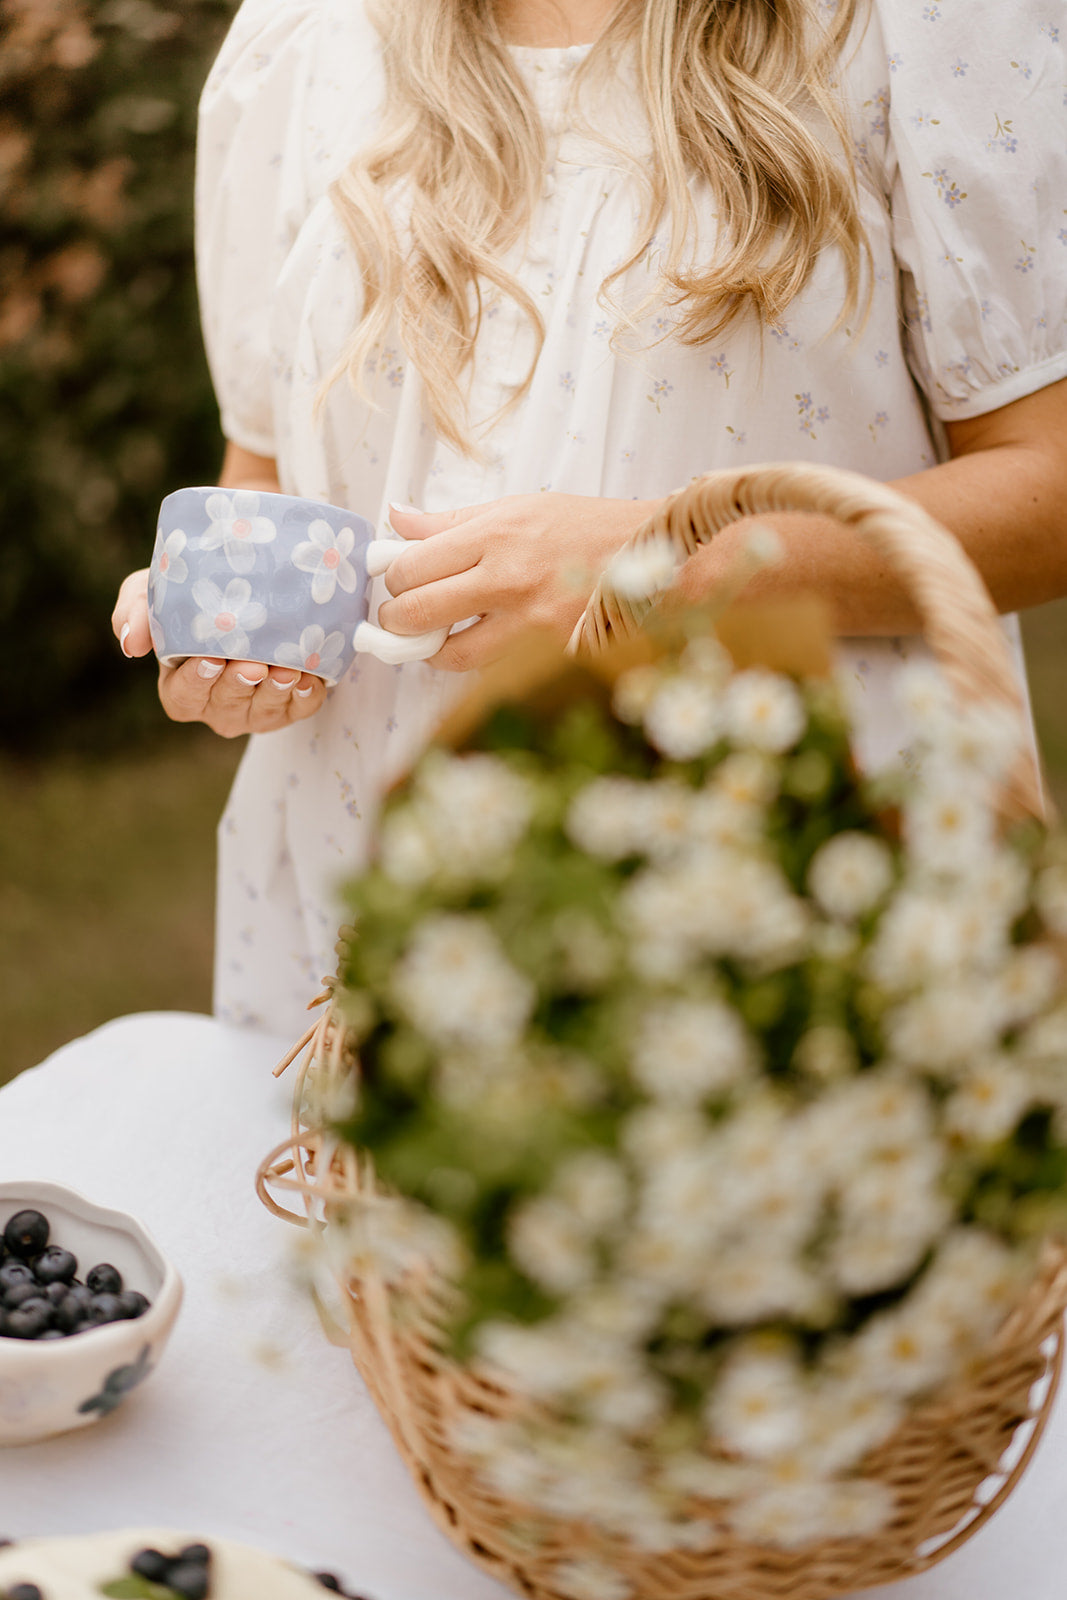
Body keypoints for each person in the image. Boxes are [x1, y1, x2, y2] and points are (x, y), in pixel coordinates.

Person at [112, 0, 1067, 1040]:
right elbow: (267, 468)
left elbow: (1043, 487)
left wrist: (655, 570)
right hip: (363, 928)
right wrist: (240, 626)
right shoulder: (302, 35)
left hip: (789, 910)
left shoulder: (918, 25)